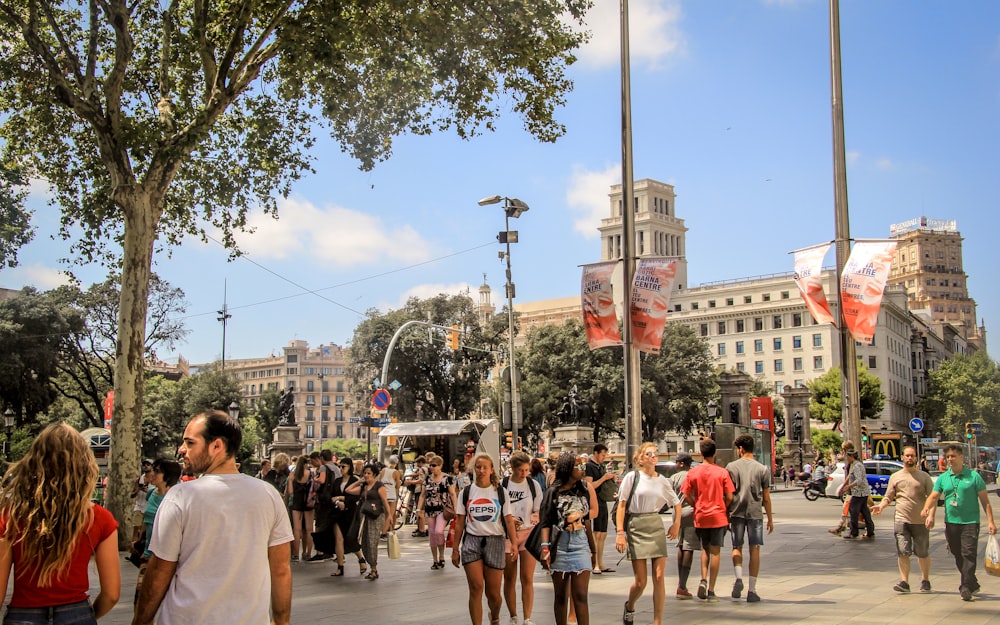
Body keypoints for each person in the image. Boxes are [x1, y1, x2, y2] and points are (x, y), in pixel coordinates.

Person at [134, 411, 292, 625]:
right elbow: (281, 568)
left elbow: (160, 569)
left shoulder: (181, 497)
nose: (182, 450)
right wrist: (282, 621)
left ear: (216, 446)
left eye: (190, 443)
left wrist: (141, 620)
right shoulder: (269, 495)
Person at [0, 423, 120, 624]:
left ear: (34, 462)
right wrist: (86, 616)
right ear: (84, 464)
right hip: (76, 613)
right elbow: (112, 594)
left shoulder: (10, 516)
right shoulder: (100, 518)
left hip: (23, 614)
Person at [615, 442, 681, 625]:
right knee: (641, 581)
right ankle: (630, 605)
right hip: (636, 525)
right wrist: (620, 532)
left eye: (655, 454)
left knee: (659, 577)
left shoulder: (662, 480)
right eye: (649, 454)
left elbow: (676, 502)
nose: (653, 457)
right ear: (641, 458)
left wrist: (676, 524)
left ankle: (657, 621)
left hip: (655, 523)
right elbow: (621, 505)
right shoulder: (632, 477)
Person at [920, 443, 996, 601]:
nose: (950, 459)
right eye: (947, 457)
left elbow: (985, 501)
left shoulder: (974, 477)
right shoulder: (944, 478)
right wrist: (926, 509)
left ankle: (965, 586)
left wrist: (991, 522)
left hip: (970, 522)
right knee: (957, 553)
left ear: (961, 457)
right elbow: (934, 496)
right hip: (951, 522)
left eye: (953, 456)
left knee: (968, 553)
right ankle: (972, 582)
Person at [452, 453, 519, 625]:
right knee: (476, 588)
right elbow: (459, 522)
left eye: (484, 468)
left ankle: (494, 617)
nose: (481, 471)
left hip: (495, 541)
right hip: (472, 541)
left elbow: (509, 520)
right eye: (478, 467)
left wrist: (514, 544)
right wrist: (455, 549)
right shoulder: (466, 492)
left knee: (494, 594)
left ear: (491, 470)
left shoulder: (500, 492)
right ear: (473, 469)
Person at [537, 452, 596, 625]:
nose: (582, 469)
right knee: (561, 597)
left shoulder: (584, 489)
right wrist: (545, 548)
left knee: (580, 596)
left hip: (580, 544)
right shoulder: (553, 492)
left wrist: (593, 549)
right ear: (568, 469)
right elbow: (545, 523)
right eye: (578, 466)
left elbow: (587, 522)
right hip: (560, 545)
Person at [872, 446, 934, 593]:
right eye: (907, 455)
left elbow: (932, 498)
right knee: (903, 551)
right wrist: (881, 506)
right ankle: (904, 582)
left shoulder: (924, 477)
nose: (910, 458)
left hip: (920, 521)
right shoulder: (896, 476)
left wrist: (930, 515)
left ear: (916, 458)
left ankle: (925, 580)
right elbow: (889, 496)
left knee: (922, 552)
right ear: (902, 457)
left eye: (912, 456)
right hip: (901, 520)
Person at [681, 438, 734, 602]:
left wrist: (696, 505)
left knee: (704, 549)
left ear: (701, 453)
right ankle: (711, 590)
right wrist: (723, 505)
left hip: (701, 515)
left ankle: (703, 578)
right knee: (715, 551)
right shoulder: (722, 472)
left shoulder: (693, 472)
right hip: (718, 516)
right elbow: (730, 496)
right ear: (715, 453)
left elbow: (685, 494)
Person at [726, 434, 774, 603]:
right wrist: (770, 518)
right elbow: (766, 497)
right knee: (755, 549)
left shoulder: (731, 467)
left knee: (736, 546)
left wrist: (726, 513)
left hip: (736, 512)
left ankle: (738, 578)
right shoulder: (763, 469)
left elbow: (729, 495)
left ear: (741, 449)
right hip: (755, 513)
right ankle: (752, 590)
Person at [133, 458, 182, 604]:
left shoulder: (178, 497)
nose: (151, 473)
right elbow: (146, 518)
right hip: (147, 555)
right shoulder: (151, 493)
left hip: (167, 559)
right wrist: (138, 539)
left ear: (168, 475)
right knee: (141, 601)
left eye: (157, 471)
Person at [502, 451, 542, 625]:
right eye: (520, 470)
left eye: (526, 470)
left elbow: (539, 509)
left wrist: (535, 515)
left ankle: (527, 617)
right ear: (512, 469)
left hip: (528, 533)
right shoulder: (503, 485)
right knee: (509, 577)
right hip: (508, 535)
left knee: (527, 577)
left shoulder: (533, 486)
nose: (524, 474)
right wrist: (510, 520)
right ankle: (513, 615)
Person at [346, 464, 392, 580]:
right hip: (364, 516)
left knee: (372, 542)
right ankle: (370, 564)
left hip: (376, 516)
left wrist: (389, 515)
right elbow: (348, 490)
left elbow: (385, 501)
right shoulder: (363, 487)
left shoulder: (378, 486)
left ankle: (374, 568)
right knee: (365, 542)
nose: (366, 475)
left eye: (369, 473)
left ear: (374, 475)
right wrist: (359, 482)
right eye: (365, 473)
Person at [668, 452, 700, 599]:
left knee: (680, 545)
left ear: (682, 463)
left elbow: (668, 497)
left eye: (677, 462)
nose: (675, 464)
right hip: (690, 511)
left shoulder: (673, 478)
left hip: (677, 513)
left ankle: (681, 584)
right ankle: (682, 585)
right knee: (689, 547)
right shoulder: (693, 475)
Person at [329, 456, 367, 577]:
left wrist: (341, 499)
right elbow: (332, 496)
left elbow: (357, 497)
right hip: (337, 513)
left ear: (350, 467)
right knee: (338, 539)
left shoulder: (354, 480)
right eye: (340, 466)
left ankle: (361, 559)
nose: (341, 469)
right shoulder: (337, 481)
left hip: (350, 513)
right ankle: (340, 567)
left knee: (350, 538)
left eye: (343, 466)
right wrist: (336, 502)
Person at [418, 455, 457, 570]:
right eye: (430, 465)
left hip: (442, 509)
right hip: (429, 509)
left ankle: (441, 555)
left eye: (434, 465)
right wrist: (419, 509)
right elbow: (423, 495)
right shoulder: (427, 479)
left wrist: (456, 508)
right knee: (432, 534)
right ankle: (435, 559)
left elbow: (453, 494)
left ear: (440, 466)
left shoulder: (447, 478)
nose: (431, 467)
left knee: (438, 531)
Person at [584, 443, 618, 574]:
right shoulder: (589, 466)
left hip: (602, 501)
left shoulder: (600, 466)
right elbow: (589, 485)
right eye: (602, 455)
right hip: (595, 500)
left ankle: (601, 562)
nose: (604, 457)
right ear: (596, 453)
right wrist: (604, 478)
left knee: (603, 533)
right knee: (596, 533)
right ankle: (595, 563)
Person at [838, 449, 874, 540]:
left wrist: (849, 486)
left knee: (853, 511)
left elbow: (859, 480)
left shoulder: (857, 466)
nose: (847, 459)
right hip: (862, 492)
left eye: (848, 457)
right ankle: (870, 531)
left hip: (859, 492)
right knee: (865, 511)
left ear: (851, 457)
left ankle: (854, 532)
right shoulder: (857, 465)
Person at [286, 454, 316, 561]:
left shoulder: (293, 475)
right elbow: (314, 488)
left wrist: (290, 481)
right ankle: (307, 553)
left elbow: (290, 492)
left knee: (297, 529)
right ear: (306, 464)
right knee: (309, 529)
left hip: (297, 502)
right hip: (308, 503)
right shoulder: (310, 474)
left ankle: (295, 554)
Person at [130, 459, 153, 551]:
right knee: (136, 529)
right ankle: (133, 551)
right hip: (139, 507)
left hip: (149, 508)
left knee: (147, 531)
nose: (146, 466)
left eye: (148, 464)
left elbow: (157, 493)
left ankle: (144, 550)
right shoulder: (139, 479)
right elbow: (132, 495)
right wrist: (138, 489)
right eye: (144, 465)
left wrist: (147, 491)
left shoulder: (155, 479)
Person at [406, 455, 430, 537]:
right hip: (419, 491)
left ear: (421, 462)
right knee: (418, 510)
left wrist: (411, 482)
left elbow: (421, 480)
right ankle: (419, 527)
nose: (416, 464)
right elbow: (416, 474)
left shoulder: (423, 469)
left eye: (417, 462)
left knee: (421, 510)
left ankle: (421, 529)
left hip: (420, 491)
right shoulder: (422, 469)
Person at [380, 455, 403, 538]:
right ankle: (384, 532)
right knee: (390, 514)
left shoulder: (383, 470)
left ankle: (387, 529)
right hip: (392, 495)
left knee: (384, 514)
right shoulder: (396, 472)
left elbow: (379, 481)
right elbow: (397, 485)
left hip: (383, 495)